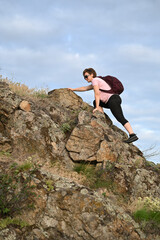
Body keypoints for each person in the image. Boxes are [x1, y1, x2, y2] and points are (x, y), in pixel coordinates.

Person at [68, 68, 138, 143]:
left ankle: (132, 134)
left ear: (92, 75)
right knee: (95, 102)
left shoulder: (95, 80)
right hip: (111, 100)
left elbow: (97, 94)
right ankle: (102, 118)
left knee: (119, 117)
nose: (85, 79)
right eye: (84, 77)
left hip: (113, 100)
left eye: (86, 76)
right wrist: (73, 89)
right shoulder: (96, 81)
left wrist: (97, 107)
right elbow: (85, 88)